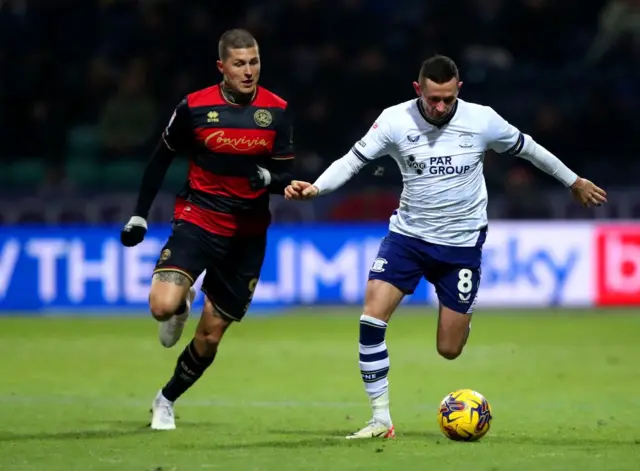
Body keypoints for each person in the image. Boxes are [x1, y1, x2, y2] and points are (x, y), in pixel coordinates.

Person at [285, 55, 607, 440]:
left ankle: (463, 318)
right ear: (418, 90)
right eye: (433, 99)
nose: (440, 107)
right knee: (372, 317)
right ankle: (380, 419)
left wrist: (573, 181)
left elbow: (530, 149)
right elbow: (351, 161)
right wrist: (317, 187)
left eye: (448, 100)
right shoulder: (394, 120)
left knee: (449, 349)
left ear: (459, 91)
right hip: (408, 238)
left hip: (461, 246)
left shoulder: (482, 119)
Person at [119, 29, 295, 430]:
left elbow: (286, 173)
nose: (248, 71)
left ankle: (166, 399)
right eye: (239, 64)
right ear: (222, 67)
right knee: (161, 306)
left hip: (248, 236)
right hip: (198, 220)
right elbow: (159, 160)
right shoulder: (194, 108)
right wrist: (140, 214)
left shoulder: (278, 111)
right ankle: (181, 305)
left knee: (211, 336)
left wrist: (270, 177)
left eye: (254, 62)